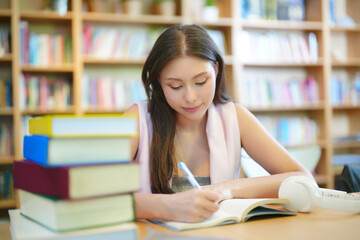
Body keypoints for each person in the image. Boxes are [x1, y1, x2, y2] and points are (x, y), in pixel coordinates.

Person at [125, 24, 313, 223]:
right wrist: (168, 206)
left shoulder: (234, 117)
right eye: (176, 86)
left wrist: (229, 188)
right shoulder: (137, 120)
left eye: (200, 82)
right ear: (159, 83)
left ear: (215, 70)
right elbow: (93, 199)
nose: (190, 97)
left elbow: (303, 179)